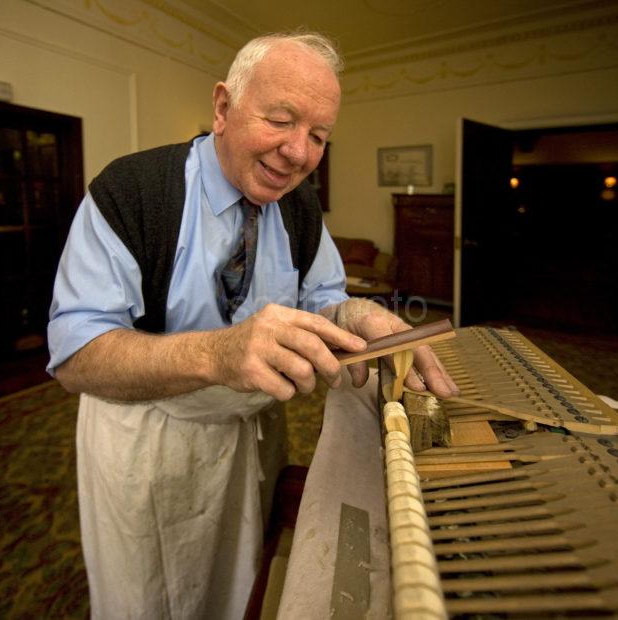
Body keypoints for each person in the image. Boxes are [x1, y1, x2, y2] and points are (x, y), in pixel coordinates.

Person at [47, 30, 457, 619]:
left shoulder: (299, 205)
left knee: (242, 582)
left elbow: (323, 299)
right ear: (222, 107)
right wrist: (217, 355)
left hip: (252, 433)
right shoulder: (131, 191)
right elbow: (75, 354)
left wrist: (359, 315)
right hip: (147, 439)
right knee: (154, 595)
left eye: (318, 136)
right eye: (281, 120)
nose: (298, 153)